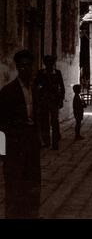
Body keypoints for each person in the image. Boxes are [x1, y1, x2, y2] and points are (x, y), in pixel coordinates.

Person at [0, 50, 41, 219]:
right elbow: (0, 124)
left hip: (31, 145)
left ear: (33, 67)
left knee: (32, 185)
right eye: (21, 66)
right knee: (14, 189)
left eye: (28, 66)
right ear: (17, 68)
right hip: (14, 148)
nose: (25, 69)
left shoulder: (37, 89)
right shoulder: (8, 92)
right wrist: (2, 153)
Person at [36, 55, 65, 150]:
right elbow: (37, 85)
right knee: (44, 121)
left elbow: (62, 87)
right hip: (44, 101)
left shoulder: (57, 73)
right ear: (45, 64)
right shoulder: (41, 73)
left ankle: (55, 142)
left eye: (51, 63)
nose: (49, 65)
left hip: (54, 101)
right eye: (47, 63)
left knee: (54, 121)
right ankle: (47, 141)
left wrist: (61, 100)